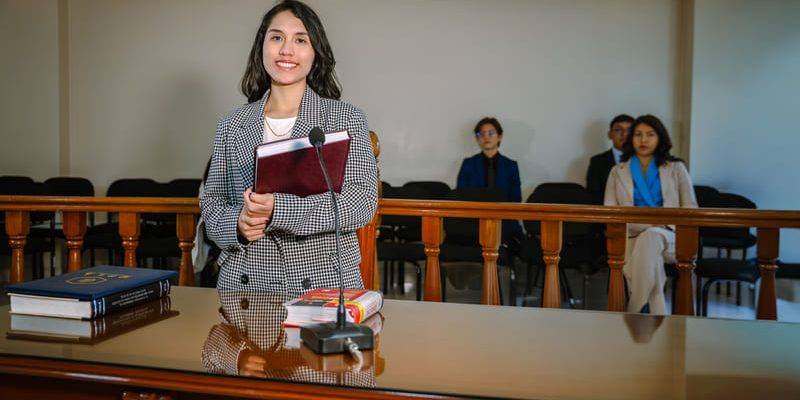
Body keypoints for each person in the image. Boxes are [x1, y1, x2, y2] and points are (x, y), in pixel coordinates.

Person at [200, 0, 378, 295]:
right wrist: (239, 224)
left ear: (315, 51)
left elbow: (361, 203)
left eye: (300, 40)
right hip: (246, 283)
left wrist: (279, 209)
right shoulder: (231, 124)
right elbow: (213, 204)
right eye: (276, 37)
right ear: (262, 46)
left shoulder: (345, 118)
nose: (286, 50)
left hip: (322, 282)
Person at [604, 115, 697, 315]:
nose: (643, 140)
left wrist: (654, 225)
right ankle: (657, 318)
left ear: (660, 137)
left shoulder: (676, 168)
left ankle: (635, 306)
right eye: (638, 134)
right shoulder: (617, 171)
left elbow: (691, 208)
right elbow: (609, 211)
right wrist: (652, 223)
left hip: (670, 235)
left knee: (651, 236)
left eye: (650, 134)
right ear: (631, 139)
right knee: (650, 250)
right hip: (631, 235)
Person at [456, 117, 523, 247]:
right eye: (481, 134)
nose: (486, 137)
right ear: (477, 138)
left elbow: (515, 199)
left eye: (491, 133)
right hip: (474, 221)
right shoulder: (468, 164)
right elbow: (461, 195)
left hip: (504, 220)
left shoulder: (511, 166)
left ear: (500, 136)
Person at [586, 114, 634, 204]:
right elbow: (592, 197)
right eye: (618, 130)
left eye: (629, 130)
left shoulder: (644, 160)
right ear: (610, 134)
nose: (624, 134)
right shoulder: (597, 162)